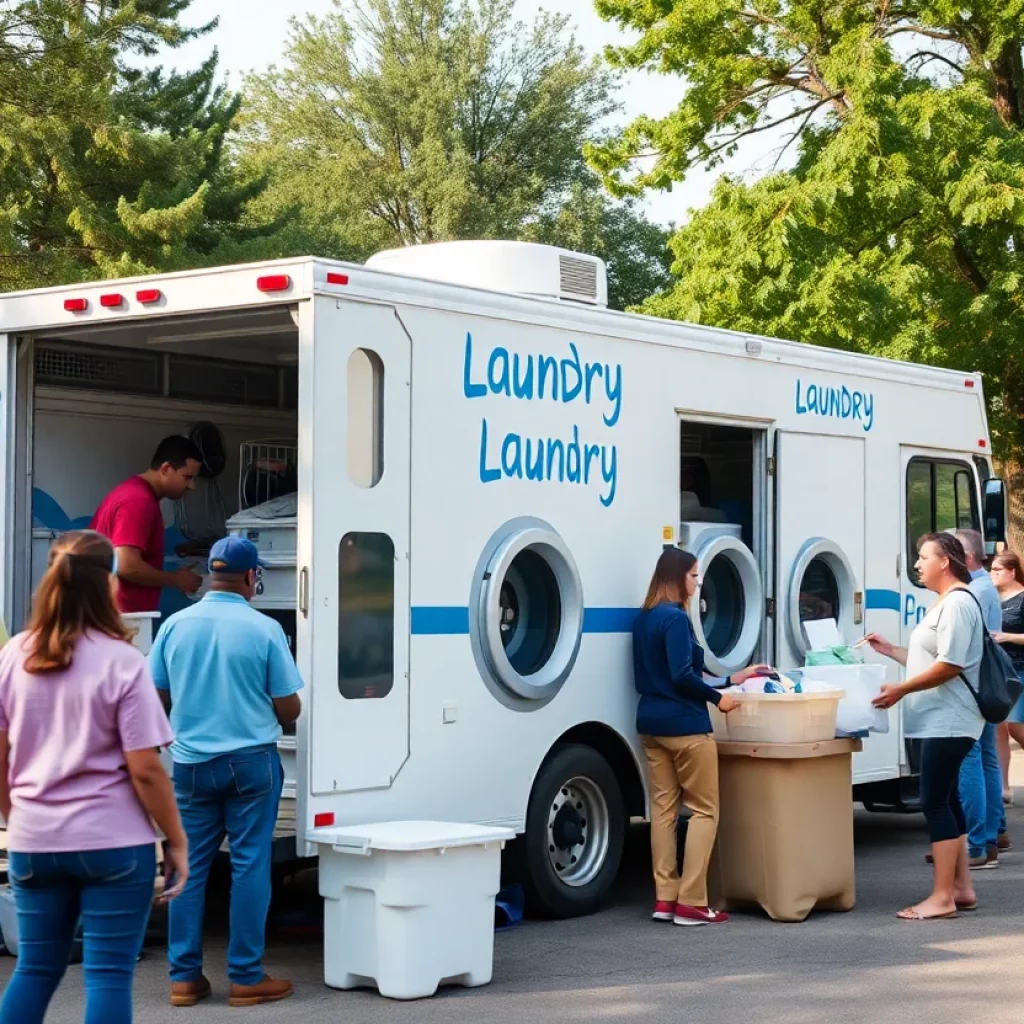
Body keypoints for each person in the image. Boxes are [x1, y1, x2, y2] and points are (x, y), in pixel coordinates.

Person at [0, 531, 188, 1024]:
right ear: (109, 584)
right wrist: (175, 840)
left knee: (36, 969)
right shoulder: (124, 662)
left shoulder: (15, 654)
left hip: (33, 839)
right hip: (112, 843)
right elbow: (146, 770)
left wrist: (14, 817)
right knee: (107, 975)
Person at [149, 535, 303, 1008]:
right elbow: (289, 707)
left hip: (191, 765)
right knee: (249, 863)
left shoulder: (175, 626)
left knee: (189, 868)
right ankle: (245, 977)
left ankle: (184, 979)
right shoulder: (263, 630)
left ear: (213, 573)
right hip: (250, 765)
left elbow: (157, 697)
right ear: (251, 577)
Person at [632, 547, 770, 927]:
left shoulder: (644, 619)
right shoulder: (676, 620)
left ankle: (665, 898)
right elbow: (682, 676)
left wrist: (733, 678)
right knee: (704, 811)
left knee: (662, 813)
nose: (698, 582)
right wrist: (719, 699)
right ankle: (692, 901)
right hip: (686, 727)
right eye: (694, 576)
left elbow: (671, 674)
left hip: (651, 725)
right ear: (678, 578)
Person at [868, 533, 985, 920]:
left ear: (945, 563)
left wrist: (900, 690)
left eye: (922, 557)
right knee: (947, 799)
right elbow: (930, 660)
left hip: (948, 720)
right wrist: (891, 651)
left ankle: (941, 897)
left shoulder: (956, 604)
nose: (916, 564)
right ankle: (961, 888)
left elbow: (951, 665)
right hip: (940, 719)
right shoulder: (945, 604)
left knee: (934, 802)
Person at [91, 436, 205, 613]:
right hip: (120, 617)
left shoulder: (133, 493)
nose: (191, 486)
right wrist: (175, 579)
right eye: (187, 477)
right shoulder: (138, 501)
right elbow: (126, 564)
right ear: (166, 469)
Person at [953, 529, 1008, 867]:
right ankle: (992, 834)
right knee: (986, 756)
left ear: (966, 556)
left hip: (972, 687)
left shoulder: (973, 591)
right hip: (987, 684)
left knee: (970, 759)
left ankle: (977, 843)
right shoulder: (986, 587)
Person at [990, 550, 1024, 805]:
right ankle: (1003, 787)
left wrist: (1008, 637)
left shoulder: (1022, 599)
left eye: (998, 570)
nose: (993, 574)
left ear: (1012, 572)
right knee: (998, 729)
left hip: (1020, 669)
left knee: (1015, 725)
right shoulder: (991, 598)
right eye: (991, 569)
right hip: (998, 670)